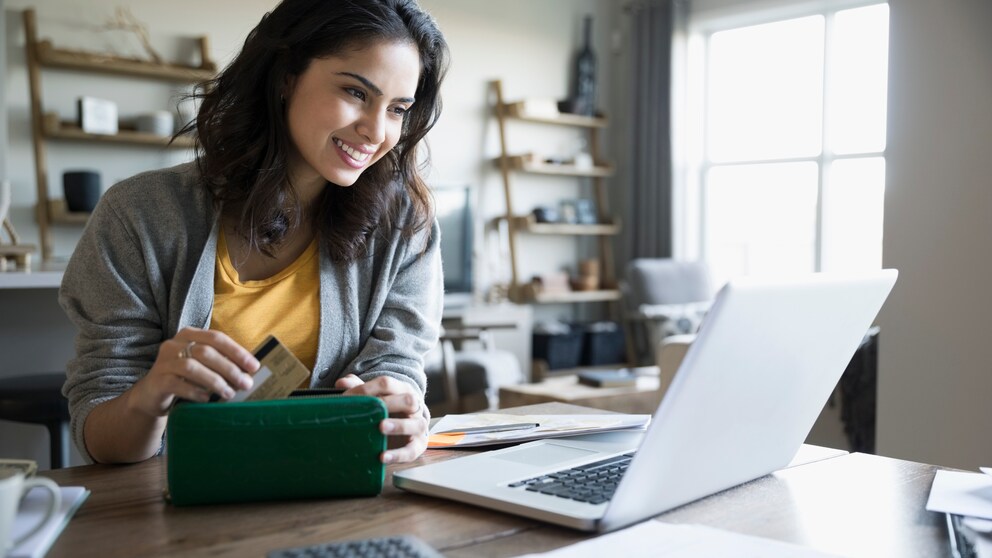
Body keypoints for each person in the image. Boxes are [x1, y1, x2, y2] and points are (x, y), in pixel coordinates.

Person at [59, 0, 449, 465]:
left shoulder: (404, 225)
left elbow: (398, 369)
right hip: (181, 503)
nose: (375, 131)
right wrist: (150, 396)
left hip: (337, 494)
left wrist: (402, 410)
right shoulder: (139, 215)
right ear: (286, 76)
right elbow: (101, 437)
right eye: (356, 93)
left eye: (398, 109)